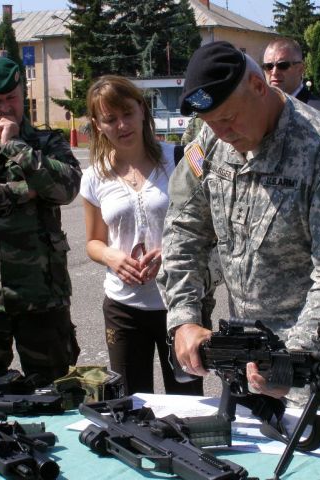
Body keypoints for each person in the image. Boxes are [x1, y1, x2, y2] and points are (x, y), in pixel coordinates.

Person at [160, 41, 320, 408]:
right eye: (211, 123)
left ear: (259, 86)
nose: (222, 132)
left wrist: (289, 361)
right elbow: (183, 231)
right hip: (247, 366)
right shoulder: (211, 142)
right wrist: (184, 317)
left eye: (229, 118)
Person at [0, 57, 81, 383]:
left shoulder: (47, 143)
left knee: (55, 388)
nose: (6, 107)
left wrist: (17, 147)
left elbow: (67, 188)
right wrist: (26, 191)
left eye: (12, 98)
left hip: (43, 292)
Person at [80, 75, 203, 396]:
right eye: (110, 119)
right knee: (130, 404)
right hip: (124, 307)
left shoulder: (181, 159)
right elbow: (93, 242)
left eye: (127, 113)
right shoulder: (93, 177)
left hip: (180, 303)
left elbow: (210, 227)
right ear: (97, 125)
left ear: (142, 110)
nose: (122, 125)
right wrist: (111, 256)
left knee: (188, 403)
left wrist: (169, 253)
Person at [261, 37, 320, 116]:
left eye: (283, 65)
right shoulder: (260, 109)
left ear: (300, 69)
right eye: (268, 66)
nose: (274, 72)